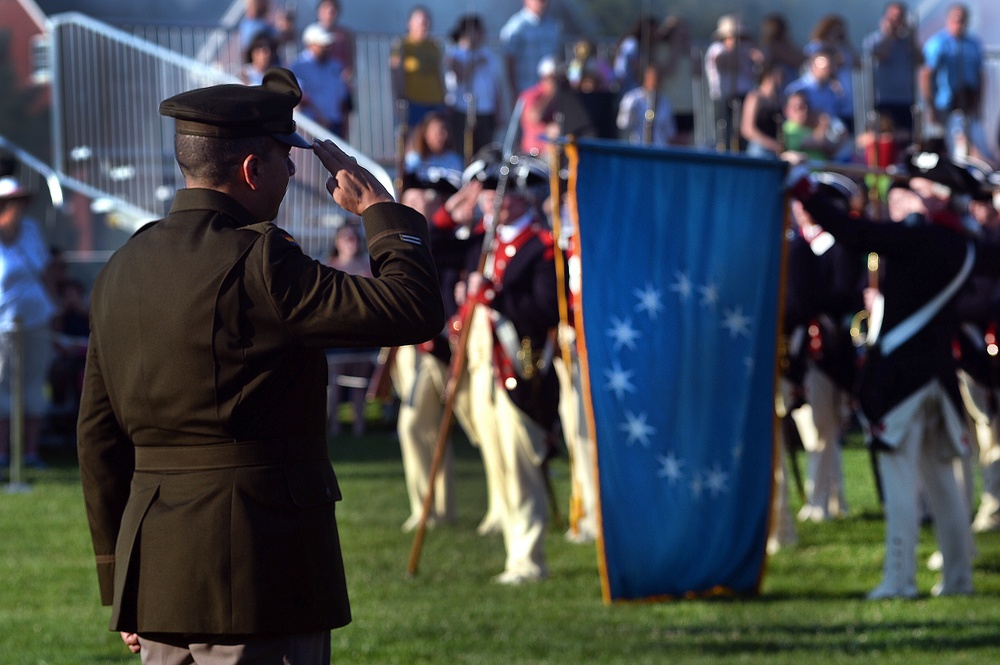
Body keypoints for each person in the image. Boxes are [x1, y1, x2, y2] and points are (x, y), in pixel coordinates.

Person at [77, 67, 445, 660]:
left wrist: (123, 579)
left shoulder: (121, 267)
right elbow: (412, 309)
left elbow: (97, 437)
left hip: (159, 584)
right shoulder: (263, 261)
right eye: (284, 157)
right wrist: (380, 210)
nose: (293, 171)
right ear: (252, 169)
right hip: (261, 574)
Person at [787, 150, 1000, 599]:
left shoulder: (918, 237)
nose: (906, 195)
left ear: (937, 196)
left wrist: (806, 190)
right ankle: (958, 577)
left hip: (902, 379)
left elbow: (853, 231)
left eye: (916, 188)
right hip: (939, 376)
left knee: (903, 483)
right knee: (944, 483)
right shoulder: (964, 245)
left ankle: (900, 579)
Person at [457, 150, 561, 583]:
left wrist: (496, 297)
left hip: (522, 368)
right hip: (488, 372)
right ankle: (514, 551)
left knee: (520, 467)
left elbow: (544, 310)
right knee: (500, 465)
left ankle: (528, 559)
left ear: (520, 199)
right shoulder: (490, 245)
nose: (487, 203)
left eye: (496, 195)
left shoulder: (540, 246)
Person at [784, 173, 864, 522]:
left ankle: (825, 500)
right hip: (804, 346)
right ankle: (828, 497)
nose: (802, 211)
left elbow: (845, 292)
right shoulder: (798, 243)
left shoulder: (840, 246)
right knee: (814, 425)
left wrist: (810, 303)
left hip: (828, 348)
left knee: (823, 427)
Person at [0, 175, 55, 471]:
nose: (18, 207)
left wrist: (54, 308)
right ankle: (4, 453)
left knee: (34, 386)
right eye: (12, 202)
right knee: (3, 386)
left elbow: (45, 271)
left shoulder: (32, 230)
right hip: (3, 325)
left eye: (20, 201)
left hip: (36, 321)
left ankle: (31, 453)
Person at [920, 3, 992, 164]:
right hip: (946, 103)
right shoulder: (938, 43)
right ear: (948, 20)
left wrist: (979, 105)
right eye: (956, 20)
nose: (959, 24)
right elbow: (926, 74)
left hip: (969, 101)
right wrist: (931, 106)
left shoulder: (973, 44)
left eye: (962, 20)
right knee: (948, 145)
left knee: (974, 142)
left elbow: (980, 75)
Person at [323, 223, 375, 438]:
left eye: (353, 238)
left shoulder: (367, 267)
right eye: (346, 238)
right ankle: (333, 425)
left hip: (362, 332)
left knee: (359, 384)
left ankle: (359, 426)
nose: (350, 242)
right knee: (336, 382)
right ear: (337, 242)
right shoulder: (328, 267)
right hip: (338, 333)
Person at [443, 14, 504, 162]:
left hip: (485, 111)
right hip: (462, 110)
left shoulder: (489, 56)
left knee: (485, 151)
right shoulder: (454, 54)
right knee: (464, 150)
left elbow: (496, 85)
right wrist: (475, 62)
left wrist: (499, 110)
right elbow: (461, 75)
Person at [862, 2, 920, 142]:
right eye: (893, 17)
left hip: (905, 100)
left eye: (900, 17)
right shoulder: (875, 40)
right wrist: (888, 34)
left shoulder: (907, 42)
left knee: (906, 139)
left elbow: (920, 60)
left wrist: (912, 35)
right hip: (884, 100)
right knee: (886, 138)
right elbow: (881, 54)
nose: (896, 21)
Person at [703, 14, 762, 152]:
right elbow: (724, 62)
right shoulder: (717, 49)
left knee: (741, 136)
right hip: (723, 98)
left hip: (744, 97)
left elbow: (761, 63)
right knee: (724, 134)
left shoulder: (747, 50)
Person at [390, 6, 446, 129]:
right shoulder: (401, 44)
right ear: (410, 23)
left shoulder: (435, 45)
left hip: (435, 100)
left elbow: (439, 73)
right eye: (421, 22)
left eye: (427, 22)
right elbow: (395, 72)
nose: (424, 25)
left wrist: (444, 97)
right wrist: (398, 98)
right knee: (413, 137)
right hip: (414, 101)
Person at [785, 49, 853, 149]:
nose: (830, 70)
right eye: (826, 66)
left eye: (831, 66)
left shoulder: (831, 90)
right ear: (814, 66)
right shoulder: (797, 89)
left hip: (827, 142)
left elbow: (834, 115)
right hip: (803, 141)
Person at [291, 23, 350, 136]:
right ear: (311, 44)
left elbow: (342, 97)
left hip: (334, 124)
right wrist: (318, 116)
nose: (328, 48)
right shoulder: (298, 66)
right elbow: (300, 97)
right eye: (324, 44)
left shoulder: (335, 66)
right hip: (310, 125)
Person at [803, 14, 858, 134]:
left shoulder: (842, 48)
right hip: (825, 93)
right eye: (835, 31)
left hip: (843, 95)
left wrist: (845, 43)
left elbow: (857, 63)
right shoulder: (816, 47)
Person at [311, 0, 356, 139]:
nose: (331, 12)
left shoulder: (345, 35)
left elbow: (350, 63)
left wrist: (343, 81)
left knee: (342, 126)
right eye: (327, 9)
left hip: (339, 87)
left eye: (333, 9)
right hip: (318, 90)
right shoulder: (312, 33)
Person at [499, 0, 563, 98]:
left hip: (549, 93)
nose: (543, 2)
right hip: (526, 92)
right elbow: (509, 60)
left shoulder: (552, 25)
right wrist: (514, 93)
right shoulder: (516, 27)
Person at [616, 63, 676, 146]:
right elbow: (622, 124)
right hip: (637, 147)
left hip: (659, 149)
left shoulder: (665, 102)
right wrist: (631, 112)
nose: (654, 83)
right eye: (651, 79)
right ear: (645, 79)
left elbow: (670, 132)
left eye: (657, 79)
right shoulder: (632, 99)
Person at [740, 62, 787, 158]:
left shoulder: (778, 100)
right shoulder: (755, 97)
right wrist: (771, 144)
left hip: (776, 151)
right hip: (759, 149)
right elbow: (747, 129)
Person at [517, 56, 560, 158]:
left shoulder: (561, 96)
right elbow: (534, 117)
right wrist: (549, 96)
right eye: (552, 78)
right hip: (534, 153)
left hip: (553, 151)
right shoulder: (530, 95)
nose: (555, 82)